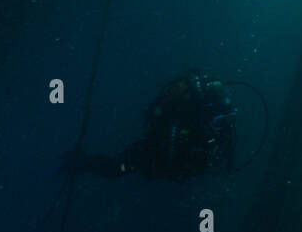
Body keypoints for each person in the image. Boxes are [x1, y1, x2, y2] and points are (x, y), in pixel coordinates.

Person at [67, 72, 237, 181]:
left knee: (117, 167)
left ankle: (80, 162)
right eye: (218, 121)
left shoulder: (212, 121)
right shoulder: (192, 121)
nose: (219, 126)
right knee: (117, 167)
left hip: (157, 151)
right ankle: (80, 162)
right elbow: (168, 153)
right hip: (154, 151)